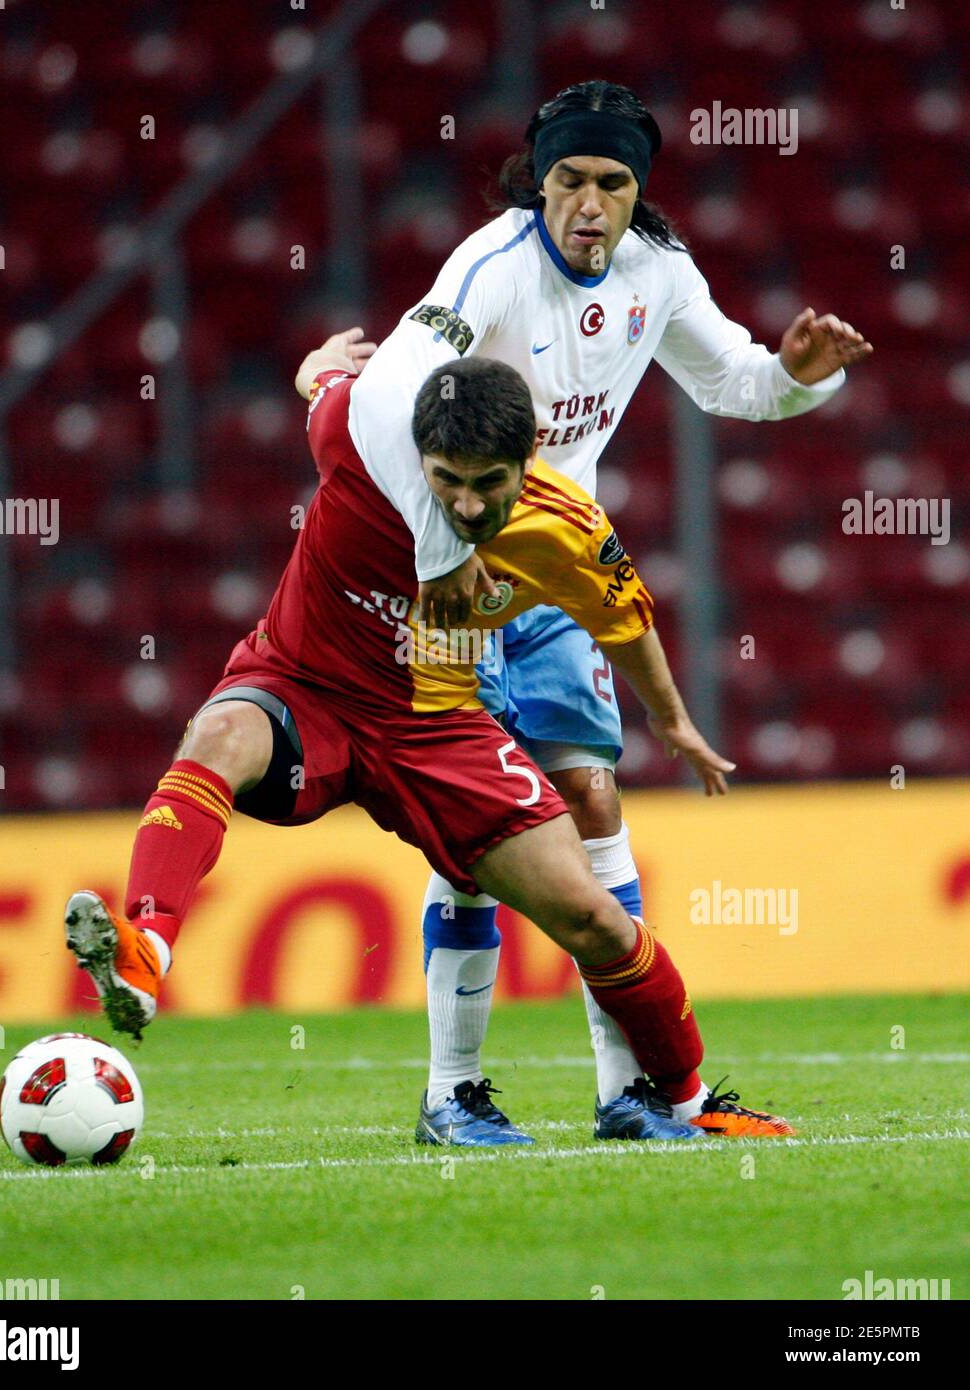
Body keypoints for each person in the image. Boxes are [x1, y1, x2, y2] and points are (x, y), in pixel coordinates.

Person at [64, 341, 792, 1145]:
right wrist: (317, 362)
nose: (469, 507)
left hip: (435, 728)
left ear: (531, 456)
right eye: (448, 480)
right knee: (217, 733)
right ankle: (146, 949)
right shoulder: (356, 435)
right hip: (306, 686)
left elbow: (629, 621)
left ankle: (685, 1103)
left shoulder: (570, 529)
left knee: (593, 920)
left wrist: (673, 720)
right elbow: (322, 382)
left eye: (491, 484)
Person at [345, 78, 872, 1139]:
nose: (589, 203)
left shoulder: (659, 274)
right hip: (450, 579)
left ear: (639, 192)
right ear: (540, 184)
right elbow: (393, 388)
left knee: (591, 797)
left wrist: (800, 378)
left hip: (553, 578)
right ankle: (452, 1095)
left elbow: (739, 385)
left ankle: (628, 1094)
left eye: (613, 183)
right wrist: (441, 550)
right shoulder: (489, 268)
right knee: (475, 840)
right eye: (570, 181)